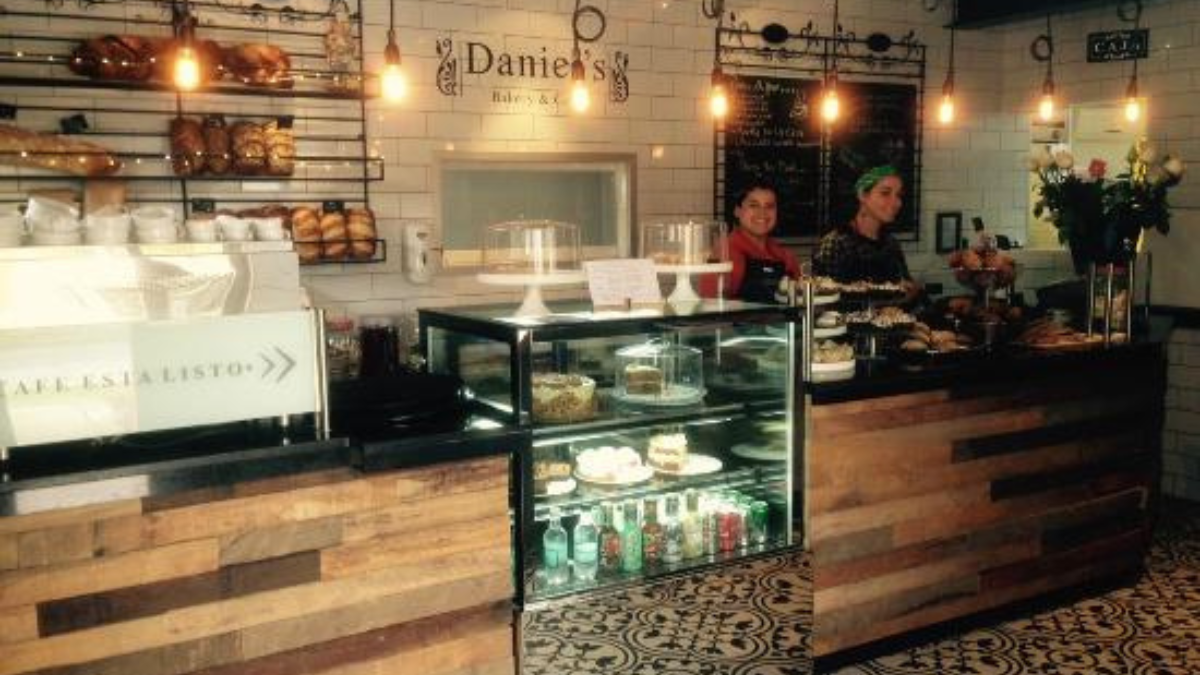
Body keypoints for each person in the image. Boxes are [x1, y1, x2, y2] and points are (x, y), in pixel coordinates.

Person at [813, 165, 917, 297]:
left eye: (898, 195)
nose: (897, 203)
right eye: (885, 193)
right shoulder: (836, 243)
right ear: (862, 195)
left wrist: (911, 289)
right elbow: (823, 298)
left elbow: (906, 289)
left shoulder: (891, 244)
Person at [699, 180, 800, 303]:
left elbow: (799, 300)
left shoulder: (785, 256)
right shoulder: (726, 251)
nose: (762, 213)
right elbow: (711, 305)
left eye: (769, 206)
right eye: (754, 205)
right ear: (737, 211)